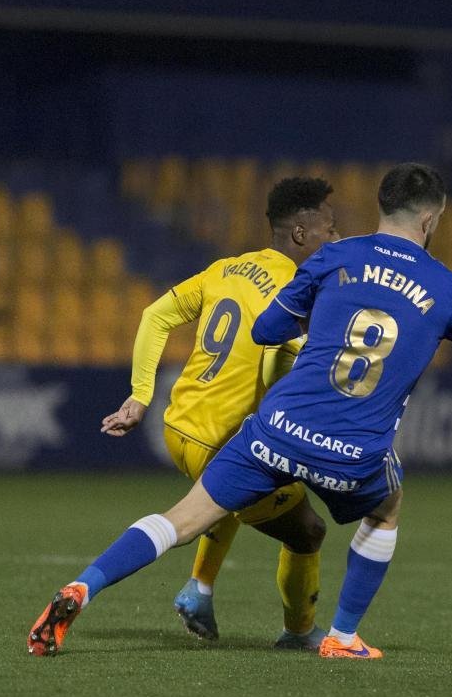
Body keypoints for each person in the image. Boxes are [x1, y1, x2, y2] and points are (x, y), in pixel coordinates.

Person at [29, 163, 452, 660]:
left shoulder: (334, 256)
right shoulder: (450, 289)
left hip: (278, 430)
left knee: (180, 520)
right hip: (352, 451)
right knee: (386, 506)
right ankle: (342, 637)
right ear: (431, 221)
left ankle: (82, 587)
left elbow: (266, 329)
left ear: (381, 206)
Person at [100, 176, 338, 648]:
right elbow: (276, 362)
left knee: (236, 480)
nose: (335, 239)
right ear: (300, 233)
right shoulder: (296, 290)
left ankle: (200, 589)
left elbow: (154, 316)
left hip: (177, 426)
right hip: (217, 440)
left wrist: (140, 394)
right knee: (308, 531)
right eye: (329, 231)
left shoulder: (227, 268)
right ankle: (299, 633)